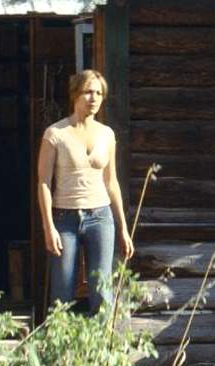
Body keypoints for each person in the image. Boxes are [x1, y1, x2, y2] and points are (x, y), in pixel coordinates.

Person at [37, 70, 134, 314]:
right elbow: (44, 183)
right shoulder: (55, 133)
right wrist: (49, 227)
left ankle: (100, 348)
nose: (94, 98)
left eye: (99, 93)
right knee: (62, 292)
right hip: (64, 219)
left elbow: (112, 182)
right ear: (75, 95)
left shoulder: (107, 134)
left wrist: (123, 228)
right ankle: (60, 350)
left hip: (100, 217)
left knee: (102, 290)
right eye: (88, 92)